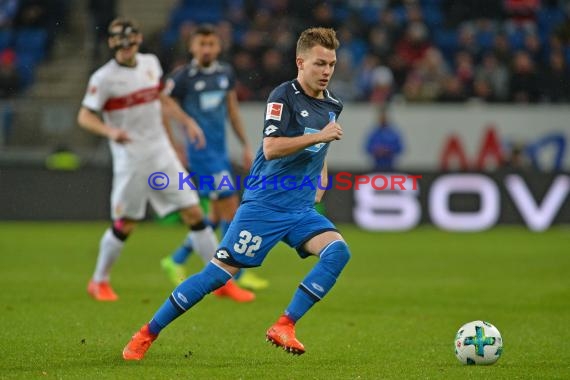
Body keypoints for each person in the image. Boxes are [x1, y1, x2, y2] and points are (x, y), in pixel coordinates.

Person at [123, 27, 351, 360]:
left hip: (300, 209)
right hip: (264, 207)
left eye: (331, 64)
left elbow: (323, 144)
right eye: (319, 64)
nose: (326, 71)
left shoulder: (333, 104)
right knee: (216, 276)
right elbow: (272, 148)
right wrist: (320, 138)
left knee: (338, 252)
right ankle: (147, 333)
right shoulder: (282, 96)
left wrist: (321, 178)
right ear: (300, 62)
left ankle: (285, 324)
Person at [77, 17, 254, 303]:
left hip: (161, 151)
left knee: (194, 213)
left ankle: (221, 281)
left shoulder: (150, 64)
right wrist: (110, 130)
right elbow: (84, 116)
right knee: (126, 223)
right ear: (112, 44)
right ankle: (99, 280)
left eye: (130, 41)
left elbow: (161, 101)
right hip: (131, 157)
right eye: (120, 43)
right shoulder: (103, 78)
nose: (126, 47)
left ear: (136, 41)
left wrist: (183, 128)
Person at [160, 24, 268, 292]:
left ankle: (175, 260)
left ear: (219, 47)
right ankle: (236, 275)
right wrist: (182, 131)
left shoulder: (225, 74)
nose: (207, 49)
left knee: (215, 214)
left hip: (219, 151)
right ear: (192, 47)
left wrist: (245, 144)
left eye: (211, 44)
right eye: (202, 44)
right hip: (201, 154)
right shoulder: (183, 77)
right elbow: (163, 103)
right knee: (231, 210)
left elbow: (232, 111)